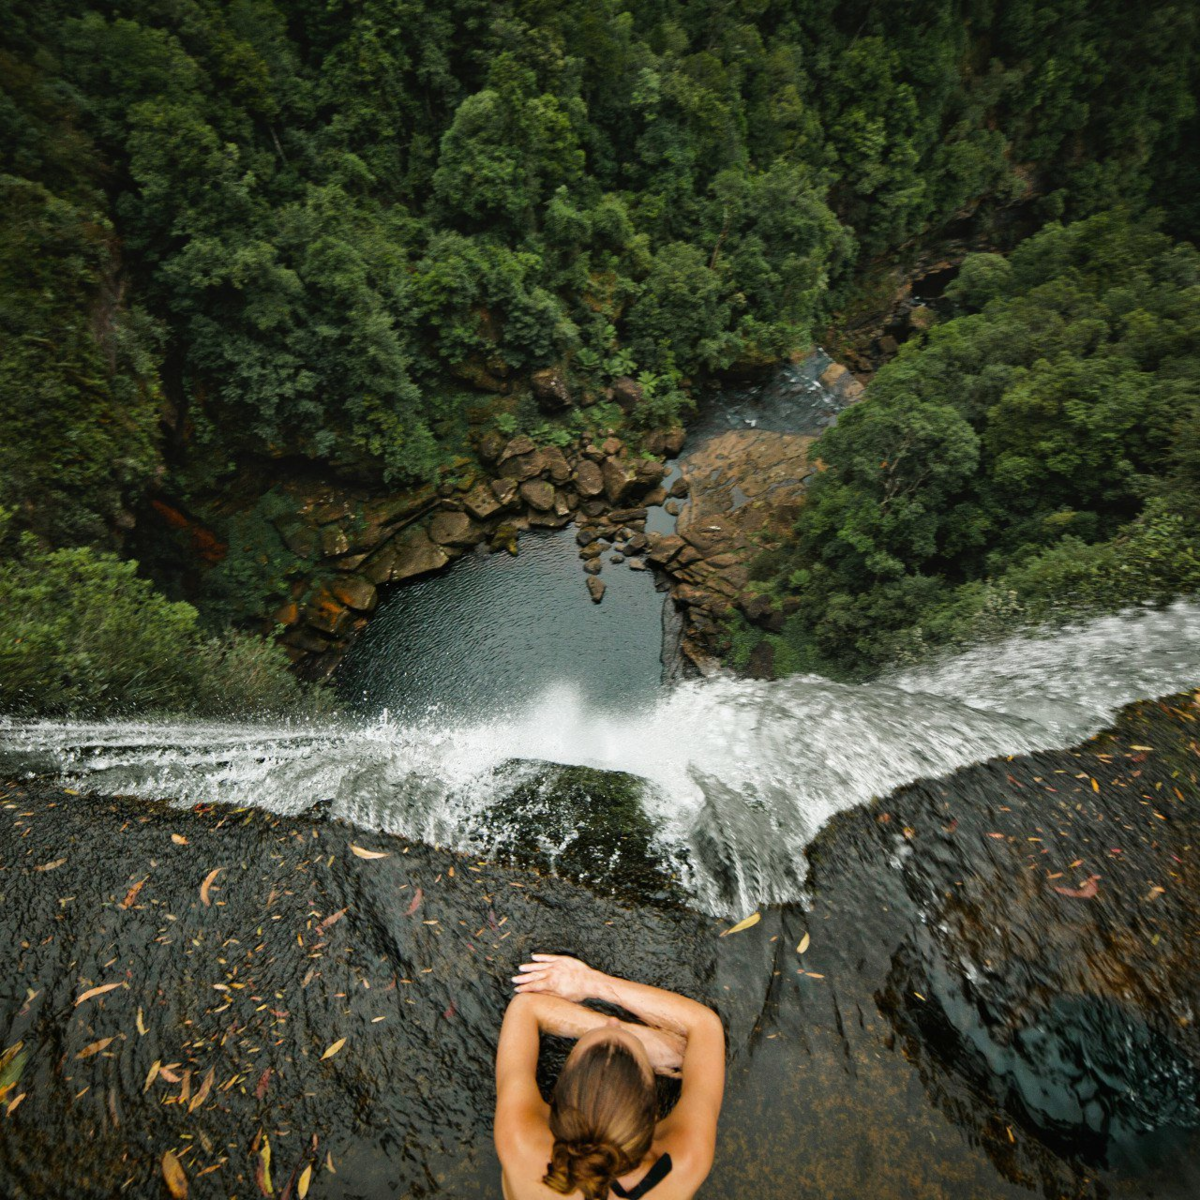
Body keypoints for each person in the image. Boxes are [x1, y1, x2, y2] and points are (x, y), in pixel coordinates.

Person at [494, 953, 725, 1199]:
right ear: (655, 1115)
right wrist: (594, 983)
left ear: (553, 1102)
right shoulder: (685, 1160)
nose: (614, 1022)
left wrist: (630, 1036)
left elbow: (525, 1007)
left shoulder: (522, 1142)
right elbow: (705, 1026)